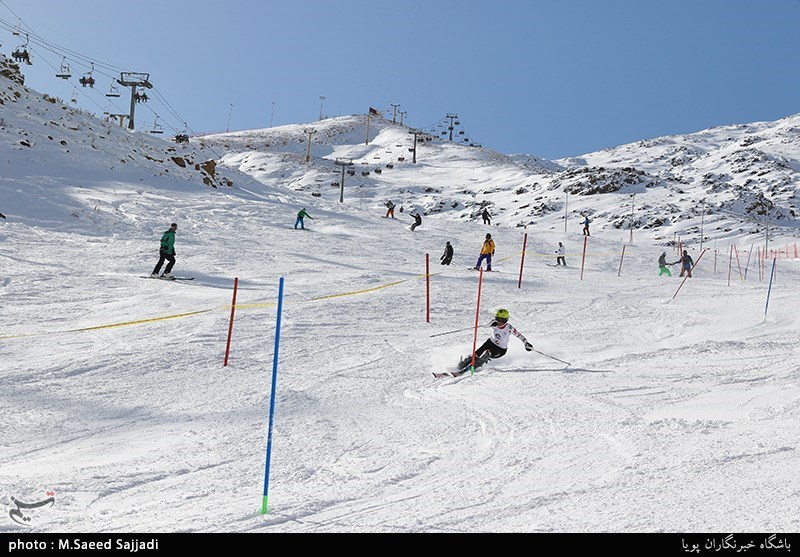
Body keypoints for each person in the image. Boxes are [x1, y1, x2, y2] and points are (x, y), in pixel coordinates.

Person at [457, 309, 533, 371]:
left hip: (500, 350)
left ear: (506, 320)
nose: (499, 322)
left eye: (502, 320)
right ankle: (462, 365)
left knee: (487, 354)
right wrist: (491, 324)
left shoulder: (509, 328)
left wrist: (526, 343)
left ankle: (472, 367)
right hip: (490, 342)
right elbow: (485, 326)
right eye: (498, 319)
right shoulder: (494, 323)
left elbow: (519, 335)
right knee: (477, 354)